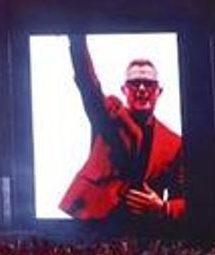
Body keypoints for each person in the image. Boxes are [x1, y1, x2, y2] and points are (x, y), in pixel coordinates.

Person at [59, 34, 185, 223]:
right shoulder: (109, 116)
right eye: (134, 84)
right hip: (98, 225)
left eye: (149, 84)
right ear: (123, 90)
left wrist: (163, 208)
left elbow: (187, 199)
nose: (142, 89)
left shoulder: (174, 143)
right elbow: (88, 84)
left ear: (159, 92)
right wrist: (77, 38)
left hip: (147, 232)